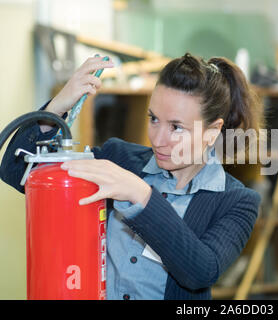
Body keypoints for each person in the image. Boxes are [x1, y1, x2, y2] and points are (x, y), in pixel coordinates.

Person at [0, 53, 264, 300]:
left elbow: (200, 271)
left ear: (212, 131)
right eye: (153, 119)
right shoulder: (120, 158)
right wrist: (55, 110)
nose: (158, 139)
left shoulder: (237, 201)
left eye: (176, 127)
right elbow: (16, 172)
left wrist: (140, 194)